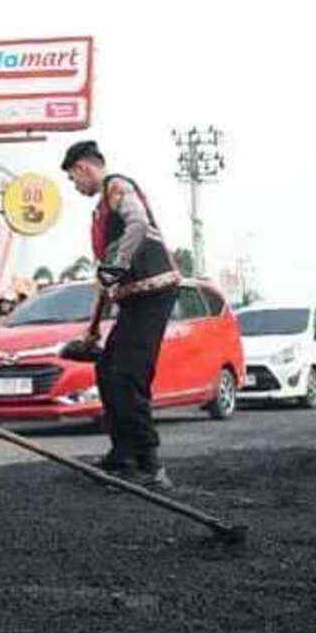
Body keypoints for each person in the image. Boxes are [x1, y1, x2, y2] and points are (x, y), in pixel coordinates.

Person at [64, 140, 180, 490]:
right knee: (107, 368)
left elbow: (139, 225)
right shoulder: (100, 213)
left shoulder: (117, 186)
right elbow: (105, 277)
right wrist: (93, 330)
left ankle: (149, 464)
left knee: (129, 374)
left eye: (73, 179)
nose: (75, 186)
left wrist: (117, 263)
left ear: (84, 167)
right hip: (132, 298)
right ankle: (123, 453)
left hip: (154, 291)